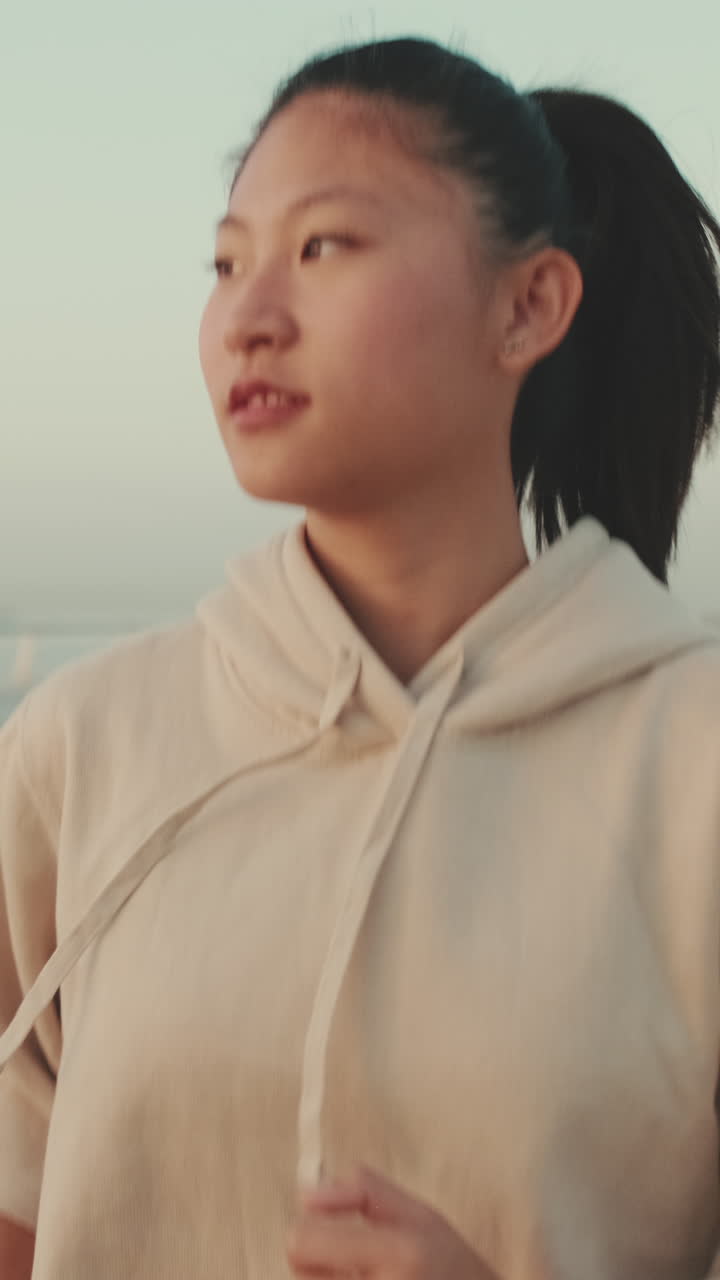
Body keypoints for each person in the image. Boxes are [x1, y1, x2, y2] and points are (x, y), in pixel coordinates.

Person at [1, 31, 720, 1280]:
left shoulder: (694, 759)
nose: (250, 316)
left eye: (323, 246)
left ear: (529, 305)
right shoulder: (83, 743)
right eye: (227, 261)